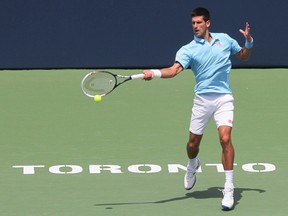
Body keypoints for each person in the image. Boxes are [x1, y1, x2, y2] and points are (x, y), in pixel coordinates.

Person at [142, 7, 253, 210]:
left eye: (199, 22)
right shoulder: (188, 49)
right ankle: (193, 164)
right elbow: (174, 70)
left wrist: (249, 41)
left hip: (223, 98)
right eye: (193, 23)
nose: (195, 26)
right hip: (202, 100)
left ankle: (229, 188)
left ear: (208, 23)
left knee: (225, 138)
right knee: (192, 145)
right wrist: (155, 72)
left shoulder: (225, 40)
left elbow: (244, 56)